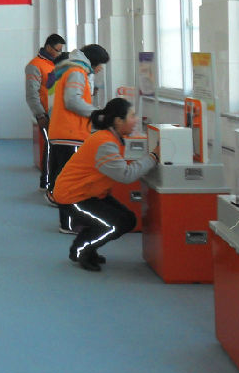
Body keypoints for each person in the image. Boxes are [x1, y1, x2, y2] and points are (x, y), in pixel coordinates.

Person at [51, 98, 159, 271]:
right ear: (118, 121)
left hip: (91, 193)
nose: (136, 120)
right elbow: (126, 175)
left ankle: (88, 246)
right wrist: (154, 157)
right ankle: (81, 250)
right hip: (73, 196)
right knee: (115, 223)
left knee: (128, 219)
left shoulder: (113, 138)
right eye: (132, 116)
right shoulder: (105, 143)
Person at [47, 43, 110, 233]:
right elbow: (73, 101)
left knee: (65, 180)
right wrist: (98, 115)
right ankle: (69, 223)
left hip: (64, 132)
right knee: (70, 182)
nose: (100, 69)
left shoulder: (73, 69)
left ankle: (69, 221)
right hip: (70, 134)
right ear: (94, 61)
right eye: (101, 65)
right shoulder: (77, 72)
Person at [25, 34, 66, 190]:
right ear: (48, 47)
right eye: (57, 50)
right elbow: (31, 94)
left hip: (58, 114)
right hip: (45, 115)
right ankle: (46, 182)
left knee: (55, 148)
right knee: (50, 147)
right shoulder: (34, 65)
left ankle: (54, 181)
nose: (59, 53)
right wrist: (40, 115)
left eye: (61, 50)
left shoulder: (56, 64)